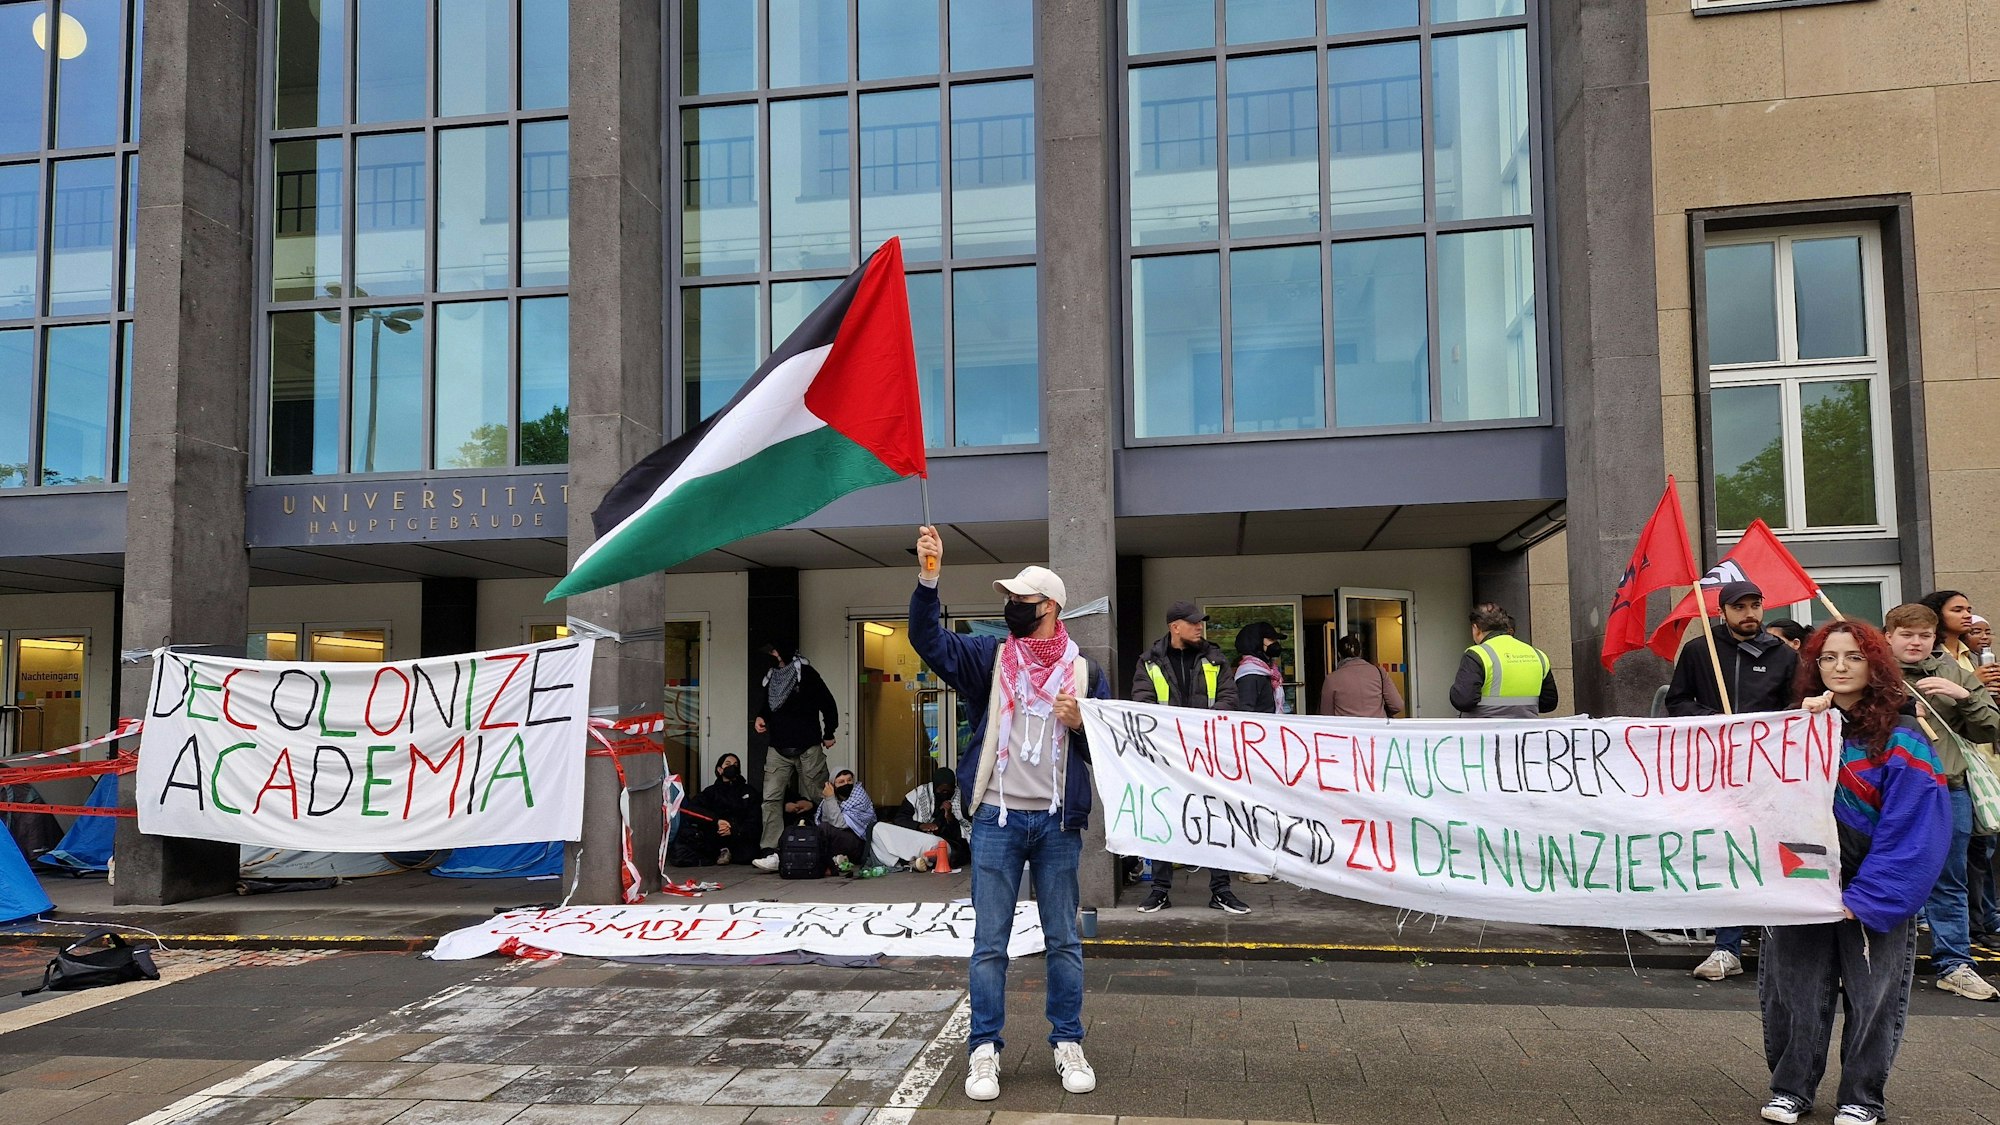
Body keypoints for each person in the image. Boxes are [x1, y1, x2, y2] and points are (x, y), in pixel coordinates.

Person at [907, 525, 1108, 1103]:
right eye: (1010, 600)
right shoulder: (990, 657)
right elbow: (928, 639)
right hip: (996, 820)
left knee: (1063, 939)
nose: (1010, 607)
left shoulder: (1085, 673)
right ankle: (984, 1049)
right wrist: (928, 578)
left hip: (1056, 825)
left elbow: (1110, 752)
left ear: (1049, 607)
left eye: (1021, 600)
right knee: (989, 943)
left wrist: (1080, 725)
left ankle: (1067, 1040)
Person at [1756, 620, 1951, 1125]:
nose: (1839, 667)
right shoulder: (1794, 731)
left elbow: (1915, 825)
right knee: (1793, 993)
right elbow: (1764, 804)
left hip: (1874, 886)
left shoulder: (1904, 735)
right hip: (1801, 885)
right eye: (1827, 658)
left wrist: (1870, 896)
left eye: (1853, 657)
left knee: (1873, 999)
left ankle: (1862, 1097)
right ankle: (1791, 1089)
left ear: (1875, 664)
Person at [1663, 581, 1800, 981]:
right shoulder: (1698, 650)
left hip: (1768, 770)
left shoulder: (1783, 656)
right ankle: (1727, 946)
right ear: (1722, 611)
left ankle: (1781, 943)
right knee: (1728, 853)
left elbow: (1795, 705)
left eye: (1755, 605)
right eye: (1739, 607)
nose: (1749, 614)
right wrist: (1714, 721)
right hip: (1714, 769)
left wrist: (1766, 727)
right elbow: (1677, 702)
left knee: (1772, 852)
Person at [1883, 601, 2000, 1001]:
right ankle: (1880, 963)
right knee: (1884, 876)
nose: (1915, 643)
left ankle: (1955, 964)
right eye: (1907, 635)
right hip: (1889, 793)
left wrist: (1963, 694)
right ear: (1888, 637)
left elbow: (1990, 727)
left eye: (1924, 635)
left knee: (1950, 881)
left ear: (1935, 638)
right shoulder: (1874, 673)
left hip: (1948, 788)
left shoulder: (1953, 670)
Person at [1132, 602, 1252, 916]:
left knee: (1217, 817)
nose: (1200, 628)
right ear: (1175, 627)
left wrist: (1200, 727)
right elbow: (1142, 702)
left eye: (1201, 623)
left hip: (1208, 754)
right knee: (1163, 817)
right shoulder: (1150, 662)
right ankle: (1159, 891)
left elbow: (1229, 698)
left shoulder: (1215, 658)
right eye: (1194, 623)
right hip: (1166, 756)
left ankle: (1221, 891)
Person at [752, 643, 839, 864]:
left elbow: (828, 703)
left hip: (807, 746)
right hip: (778, 747)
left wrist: (829, 732)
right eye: (770, 652)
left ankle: (833, 842)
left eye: (774, 651)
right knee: (771, 798)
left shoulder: (807, 674)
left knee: (821, 796)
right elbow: (768, 705)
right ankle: (771, 851)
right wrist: (761, 718)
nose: (771, 655)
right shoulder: (772, 677)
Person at [1962, 615, 2000, 947]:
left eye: (1987, 631)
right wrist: (1973, 684)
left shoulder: (1988, 666)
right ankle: (1974, 924)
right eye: (1976, 631)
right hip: (1968, 768)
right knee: (1975, 853)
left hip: (1991, 765)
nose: (1983, 637)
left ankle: (1990, 915)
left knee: (1987, 849)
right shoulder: (1953, 663)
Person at [1448, 602, 1557, 718]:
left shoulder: (1478, 654)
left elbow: (1463, 700)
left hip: (1485, 733)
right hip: (1525, 733)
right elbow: (1549, 703)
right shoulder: (1538, 655)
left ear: (1476, 628)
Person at [669, 753, 760, 867]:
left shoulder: (749, 791)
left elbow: (754, 820)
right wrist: (716, 821)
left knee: (750, 854)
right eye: (728, 764)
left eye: (735, 764)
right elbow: (692, 809)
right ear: (720, 770)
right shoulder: (710, 792)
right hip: (714, 838)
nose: (732, 766)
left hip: (740, 840)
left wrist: (734, 829)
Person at [898, 766, 968, 868]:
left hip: (945, 843)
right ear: (934, 787)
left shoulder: (962, 799)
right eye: (941, 791)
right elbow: (899, 819)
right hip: (917, 837)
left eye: (948, 791)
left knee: (944, 848)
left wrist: (949, 816)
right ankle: (918, 860)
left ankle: (918, 861)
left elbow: (964, 832)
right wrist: (920, 826)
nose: (945, 794)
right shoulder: (918, 794)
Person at [1320, 634, 1405, 718]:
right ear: (1360, 652)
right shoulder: (1379, 672)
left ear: (1338, 654)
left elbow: (1327, 717)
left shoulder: (1331, 679)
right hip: (1377, 728)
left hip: (1347, 730)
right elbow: (1397, 705)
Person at [815, 769, 875, 872]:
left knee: (824, 828)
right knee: (822, 830)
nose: (846, 784)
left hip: (860, 844)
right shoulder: (831, 799)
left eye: (849, 780)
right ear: (833, 786)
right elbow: (826, 820)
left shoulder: (859, 797)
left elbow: (840, 824)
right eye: (841, 782)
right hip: (841, 841)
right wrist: (830, 799)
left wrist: (830, 799)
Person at [1231, 622, 1289, 715]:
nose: (1275, 644)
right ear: (1256, 642)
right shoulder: (1250, 676)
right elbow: (1245, 712)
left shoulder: (1267, 671)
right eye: (1271, 639)